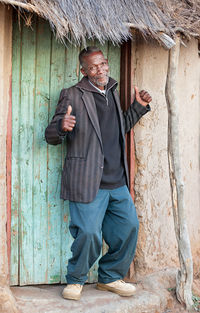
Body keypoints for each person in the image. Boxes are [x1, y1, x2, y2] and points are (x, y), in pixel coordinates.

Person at [45, 46, 152, 301]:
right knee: (90, 234)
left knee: (129, 228)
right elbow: (50, 136)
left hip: (117, 180)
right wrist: (61, 126)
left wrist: (138, 107)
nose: (100, 69)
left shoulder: (112, 91)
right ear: (83, 71)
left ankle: (110, 277)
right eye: (93, 67)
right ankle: (76, 280)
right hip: (88, 181)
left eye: (102, 64)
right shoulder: (73, 95)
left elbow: (118, 128)